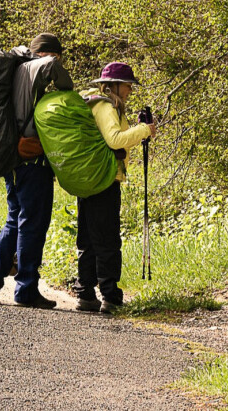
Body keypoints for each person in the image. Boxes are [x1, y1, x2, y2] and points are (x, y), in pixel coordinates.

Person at [0, 33, 74, 309]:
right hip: (32, 161)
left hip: (13, 158)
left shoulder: (16, 70)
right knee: (32, 223)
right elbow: (54, 69)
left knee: (15, 221)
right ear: (50, 53)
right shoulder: (37, 66)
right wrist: (68, 92)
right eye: (57, 56)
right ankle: (26, 288)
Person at [74, 62, 155, 313]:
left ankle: (85, 292)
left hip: (89, 177)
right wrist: (143, 130)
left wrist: (137, 129)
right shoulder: (106, 107)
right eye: (128, 85)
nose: (130, 90)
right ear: (115, 86)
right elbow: (115, 140)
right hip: (105, 180)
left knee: (88, 237)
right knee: (107, 238)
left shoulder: (95, 104)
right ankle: (110, 296)